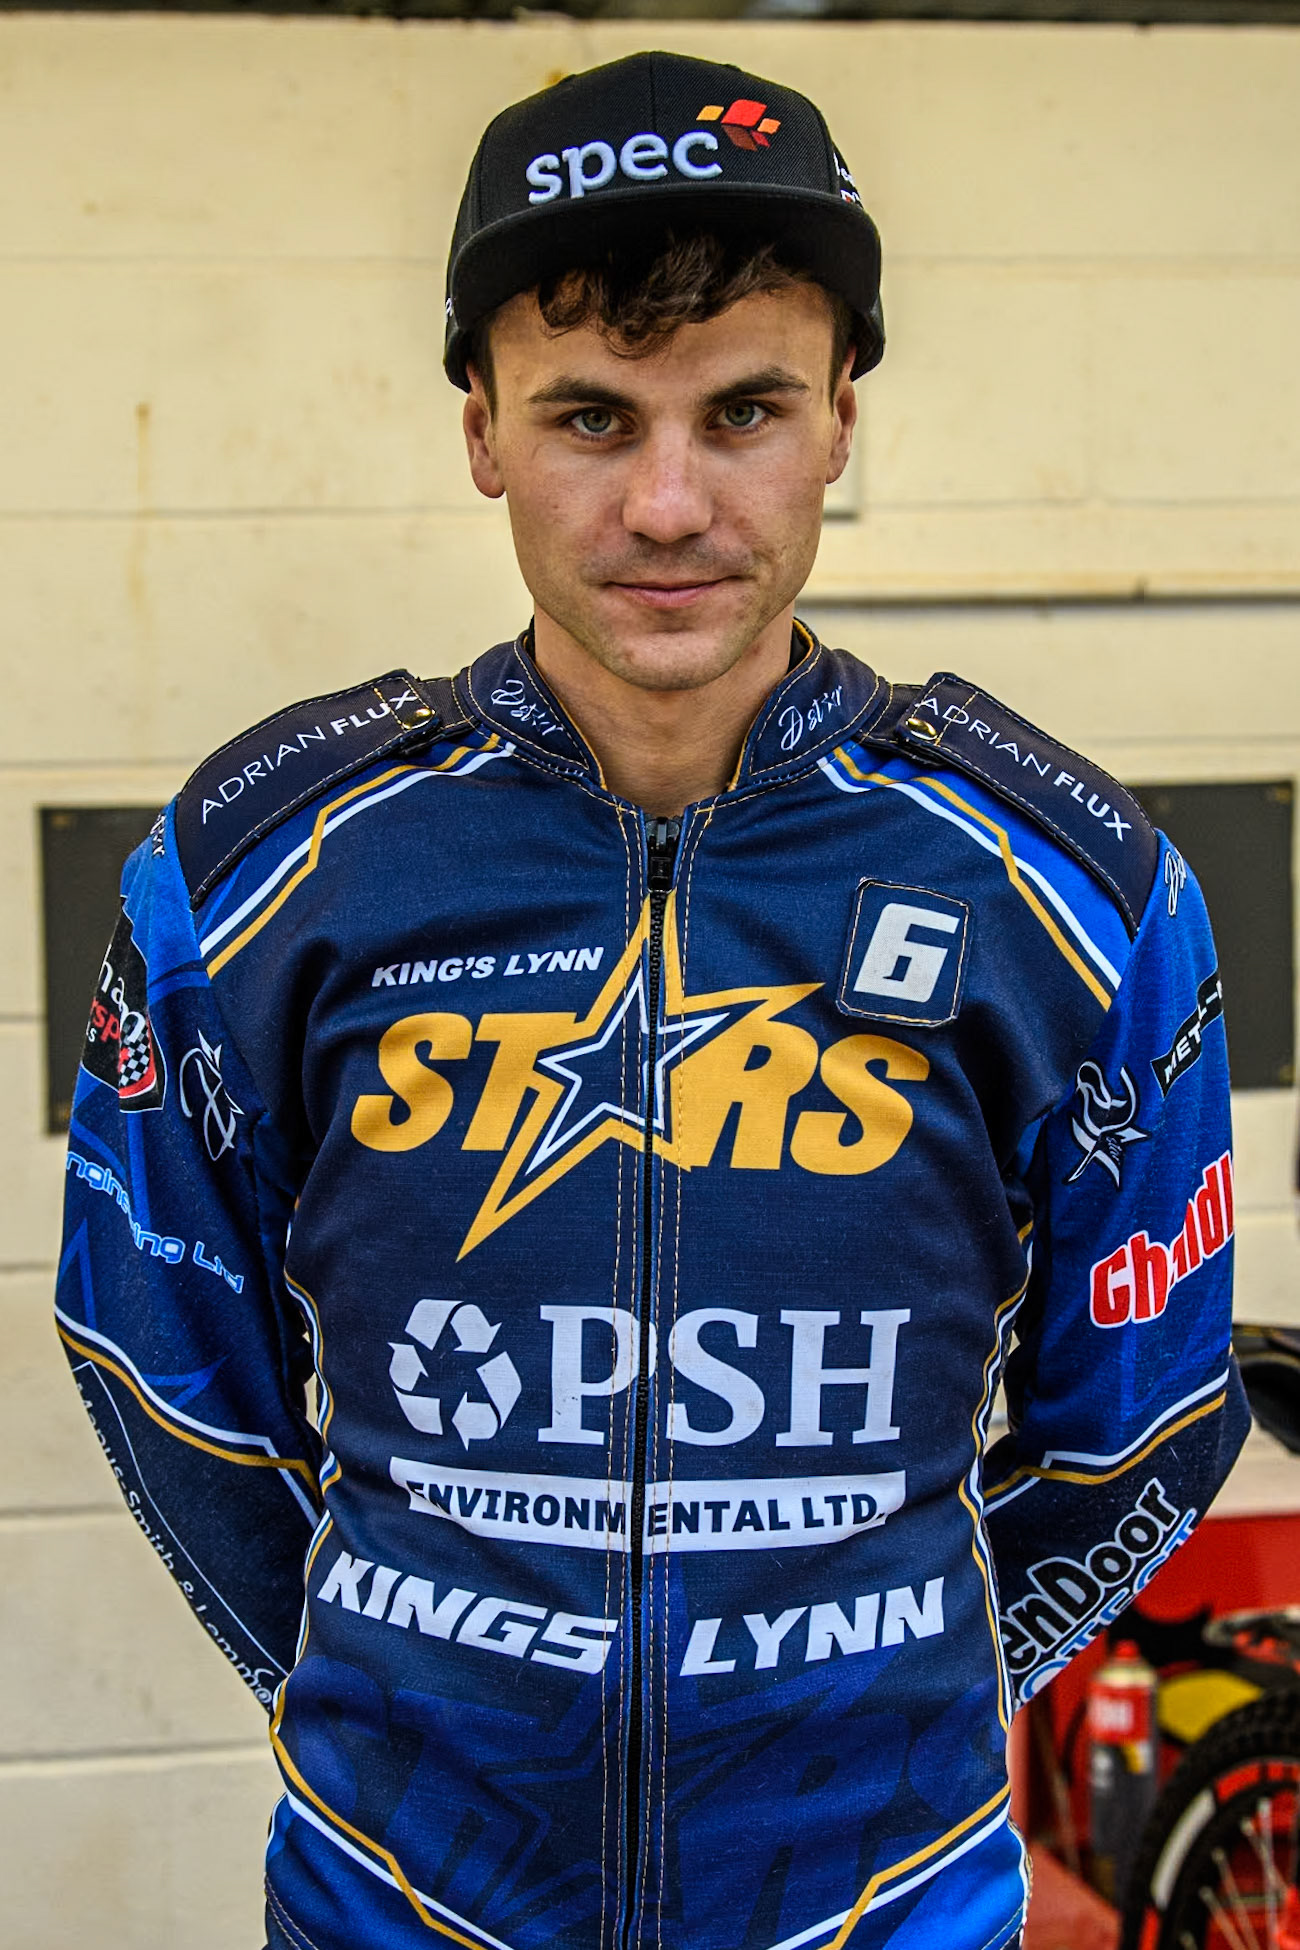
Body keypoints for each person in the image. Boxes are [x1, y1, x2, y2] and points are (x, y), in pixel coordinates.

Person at [56, 49, 1248, 1950]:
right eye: (592, 417)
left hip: (880, 1913)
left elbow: (1150, 1418)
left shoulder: (1080, 893)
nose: (674, 503)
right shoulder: (258, 866)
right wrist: (366, 1689)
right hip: (398, 1905)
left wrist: (923, 1702)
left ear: (844, 413)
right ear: (480, 427)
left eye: (747, 408)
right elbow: (153, 1358)